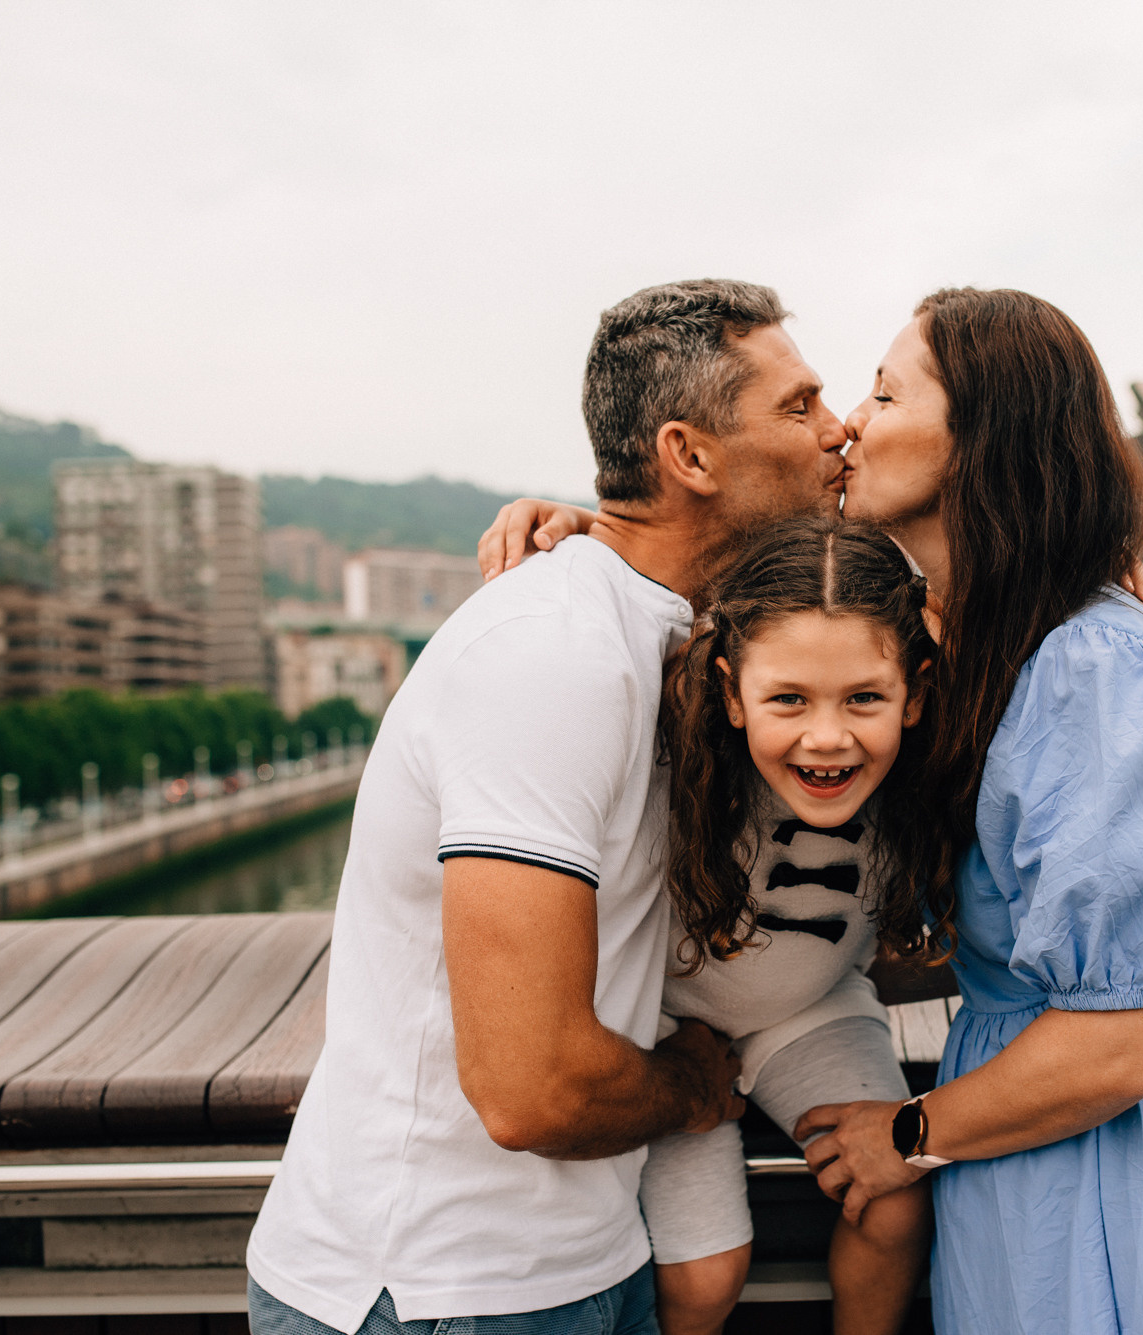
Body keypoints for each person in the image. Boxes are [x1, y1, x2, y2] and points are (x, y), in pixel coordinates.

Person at [482, 288, 1143, 1333]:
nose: (848, 424)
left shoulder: (1098, 670)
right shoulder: (951, 638)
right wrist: (592, 536)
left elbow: (1125, 1038)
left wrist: (906, 1135)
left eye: (882, 395)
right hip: (1020, 1144)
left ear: (980, 441)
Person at [245, 278, 849, 1335]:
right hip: (437, 1292)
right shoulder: (552, 655)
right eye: (799, 406)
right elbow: (533, 1089)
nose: (836, 430)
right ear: (689, 456)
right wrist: (694, 1085)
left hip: (578, 1265)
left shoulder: (662, 631)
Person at [644, 517, 937, 1335]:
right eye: (788, 699)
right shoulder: (671, 740)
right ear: (730, 692)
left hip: (810, 1007)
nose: (827, 737)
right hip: (664, 1029)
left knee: (893, 1202)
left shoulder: (930, 764)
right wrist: (565, 530)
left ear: (914, 692)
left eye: (865, 698)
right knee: (703, 1275)